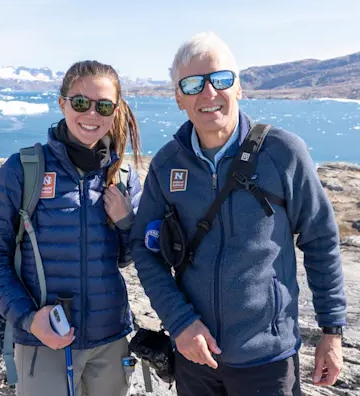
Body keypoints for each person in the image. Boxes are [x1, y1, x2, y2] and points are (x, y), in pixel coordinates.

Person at [129, 32, 347, 396]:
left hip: (269, 361)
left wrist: (332, 331)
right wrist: (181, 323)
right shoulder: (167, 165)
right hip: (195, 358)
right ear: (179, 97)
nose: (209, 93)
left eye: (221, 79)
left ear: (239, 88)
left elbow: (321, 239)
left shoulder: (282, 153)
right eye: (193, 84)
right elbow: (144, 248)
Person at [0, 60, 143, 396]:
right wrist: (28, 318)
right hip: (43, 341)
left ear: (115, 111)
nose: (91, 114)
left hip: (110, 341)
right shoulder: (23, 171)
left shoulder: (122, 179)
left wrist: (126, 221)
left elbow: (129, 257)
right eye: (81, 102)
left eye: (104, 105)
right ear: (62, 103)